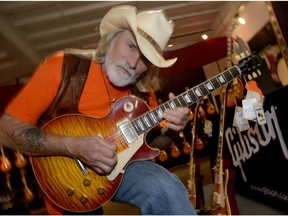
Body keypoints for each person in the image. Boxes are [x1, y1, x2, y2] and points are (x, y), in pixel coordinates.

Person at [0, 5, 197, 215]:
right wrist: (74, 147)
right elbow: (5, 130)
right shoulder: (62, 68)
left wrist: (173, 127)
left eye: (144, 60)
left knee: (167, 188)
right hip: (67, 177)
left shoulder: (142, 96)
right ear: (112, 38)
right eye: (131, 46)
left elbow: (154, 143)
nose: (132, 63)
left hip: (121, 168)